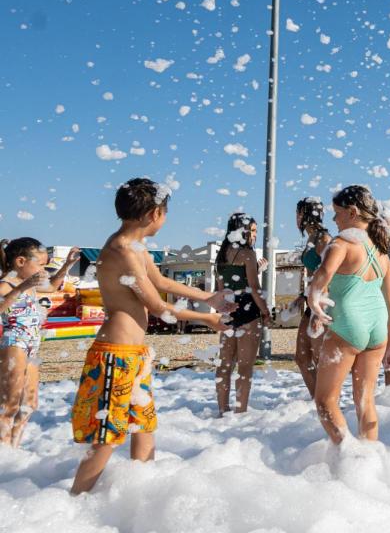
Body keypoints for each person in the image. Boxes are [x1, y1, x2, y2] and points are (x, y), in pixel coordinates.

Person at [71, 178, 232, 494]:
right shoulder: (121, 251)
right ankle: (74, 505)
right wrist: (207, 319)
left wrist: (207, 296)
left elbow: (162, 282)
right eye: (165, 212)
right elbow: (157, 306)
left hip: (134, 354)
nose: (166, 219)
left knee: (143, 426)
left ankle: (141, 498)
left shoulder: (135, 247)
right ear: (153, 214)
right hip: (114, 354)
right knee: (106, 437)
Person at [307, 185, 390, 444]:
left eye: (337, 213)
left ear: (352, 212)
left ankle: (349, 455)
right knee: (365, 400)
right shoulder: (382, 250)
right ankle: (369, 461)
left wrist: (313, 300)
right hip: (378, 327)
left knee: (325, 401)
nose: (334, 220)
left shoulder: (342, 243)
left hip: (348, 325)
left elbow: (323, 275)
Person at [0, 240, 79, 447]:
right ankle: (2, 448)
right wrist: (23, 287)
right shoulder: (5, 285)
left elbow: (53, 286)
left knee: (29, 404)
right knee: (9, 404)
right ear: (20, 261)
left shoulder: (31, 284)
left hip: (32, 346)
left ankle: (12, 450)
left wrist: (67, 266)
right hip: (14, 343)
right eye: (41, 265)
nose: (44, 271)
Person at [214, 213, 272, 416]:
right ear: (242, 230)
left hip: (228, 312)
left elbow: (222, 290)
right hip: (249, 313)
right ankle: (240, 412)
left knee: (224, 365)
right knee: (245, 367)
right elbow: (254, 289)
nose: (255, 235)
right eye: (253, 230)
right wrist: (266, 312)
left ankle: (222, 410)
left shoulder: (221, 255)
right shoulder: (247, 254)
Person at [292, 198, 332, 399]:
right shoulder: (310, 238)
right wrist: (303, 295)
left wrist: (319, 310)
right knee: (302, 357)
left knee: (320, 359)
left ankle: (328, 405)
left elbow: (329, 275)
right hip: (312, 301)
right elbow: (313, 274)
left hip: (323, 304)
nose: (296, 218)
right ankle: (319, 402)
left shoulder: (323, 238)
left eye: (298, 213)